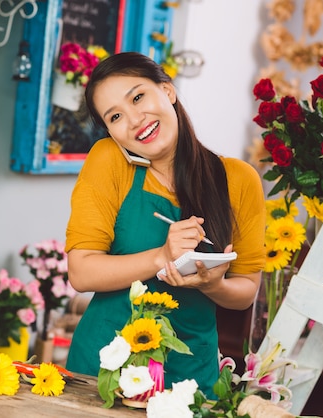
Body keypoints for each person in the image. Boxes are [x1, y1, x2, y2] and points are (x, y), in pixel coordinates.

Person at [64, 52, 265, 397]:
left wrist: (211, 284)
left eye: (138, 97)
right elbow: (81, 273)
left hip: (189, 378)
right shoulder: (109, 160)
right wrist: (161, 256)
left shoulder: (239, 180)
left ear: (168, 90)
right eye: (115, 117)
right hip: (103, 372)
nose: (135, 120)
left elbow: (246, 291)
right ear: (111, 131)